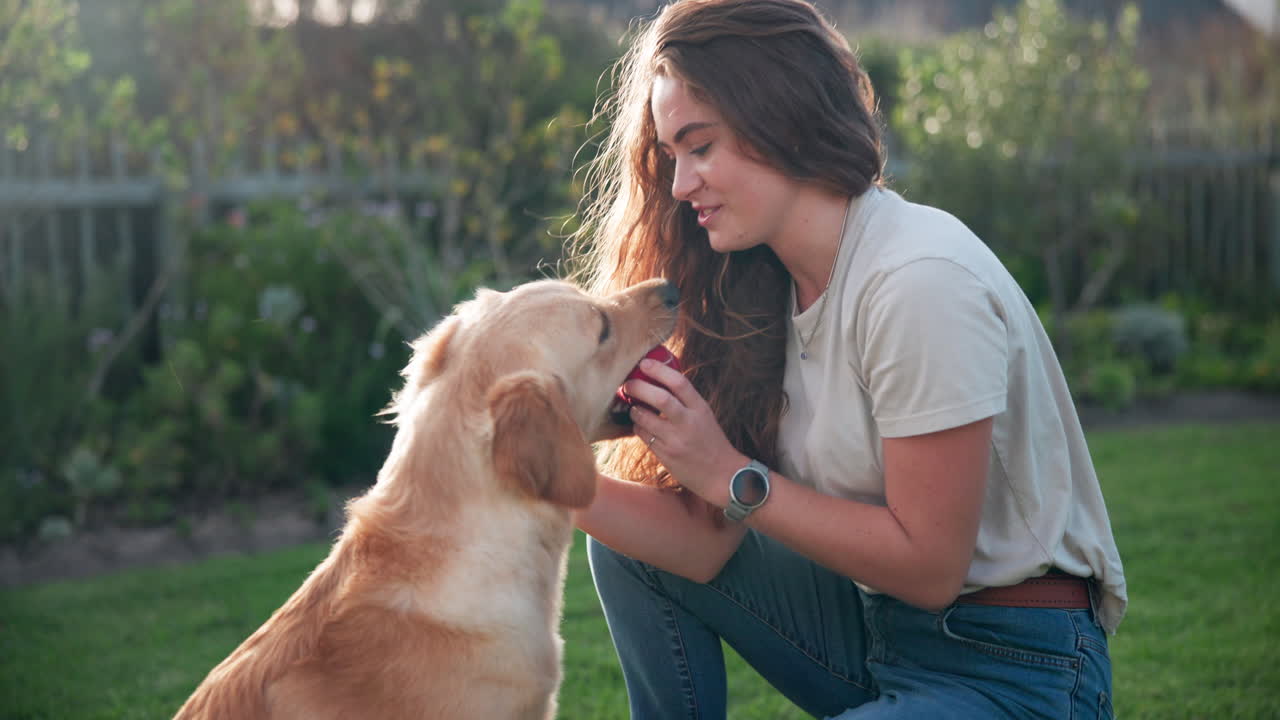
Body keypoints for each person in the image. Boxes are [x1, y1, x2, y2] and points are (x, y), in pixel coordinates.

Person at [567, 0, 1127, 717]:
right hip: (876, 637)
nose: (679, 186)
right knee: (628, 543)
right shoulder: (759, 288)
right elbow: (703, 551)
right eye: (671, 155)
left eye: (699, 147)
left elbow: (929, 568)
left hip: (1018, 667)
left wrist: (730, 475)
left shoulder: (918, 279)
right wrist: (547, 472)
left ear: (781, 117)